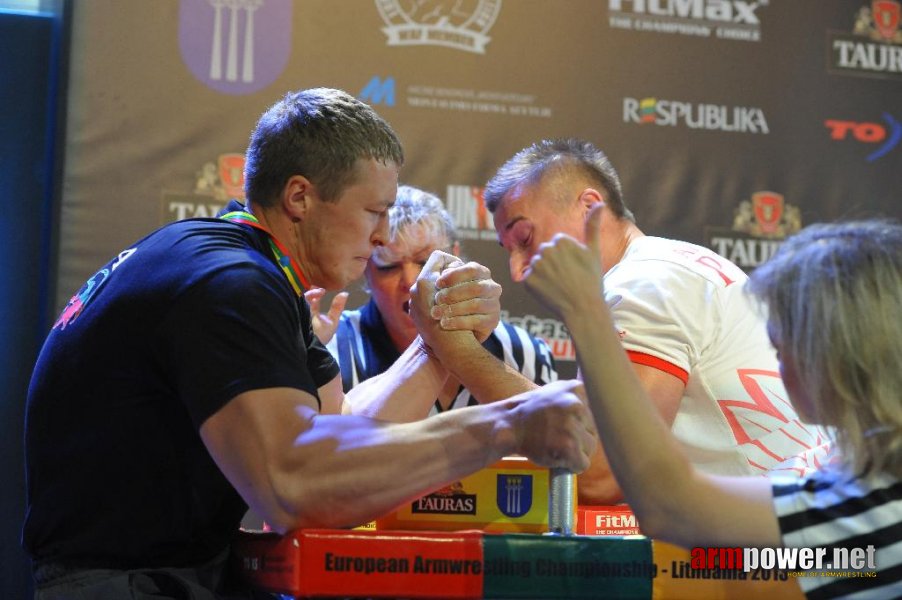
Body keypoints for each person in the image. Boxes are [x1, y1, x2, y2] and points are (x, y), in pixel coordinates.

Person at [22, 89, 595, 599]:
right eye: (374, 212)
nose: (378, 238)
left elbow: (342, 426)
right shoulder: (228, 283)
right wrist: (509, 423)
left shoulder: (253, 271)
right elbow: (295, 484)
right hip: (121, 582)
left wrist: (436, 338)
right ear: (300, 197)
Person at [524, 214, 902, 598]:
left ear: (834, 355)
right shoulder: (866, 494)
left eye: (781, 347)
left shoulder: (873, 504)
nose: (779, 367)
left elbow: (668, 506)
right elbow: (793, 566)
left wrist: (587, 312)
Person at [484, 138, 832, 505]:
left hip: (789, 548)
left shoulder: (641, 287)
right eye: (508, 251)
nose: (517, 270)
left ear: (589, 208)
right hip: (813, 525)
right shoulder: (667, 263)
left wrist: (456, 350)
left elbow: (599, 476)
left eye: (525, 238)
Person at [305, 185, 557, 419]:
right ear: (366, 270)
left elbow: (559, 454)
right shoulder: (331, 348)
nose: (412, 282)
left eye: (425, 262)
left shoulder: (525, 352)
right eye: (389, 267)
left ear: (456, 257)